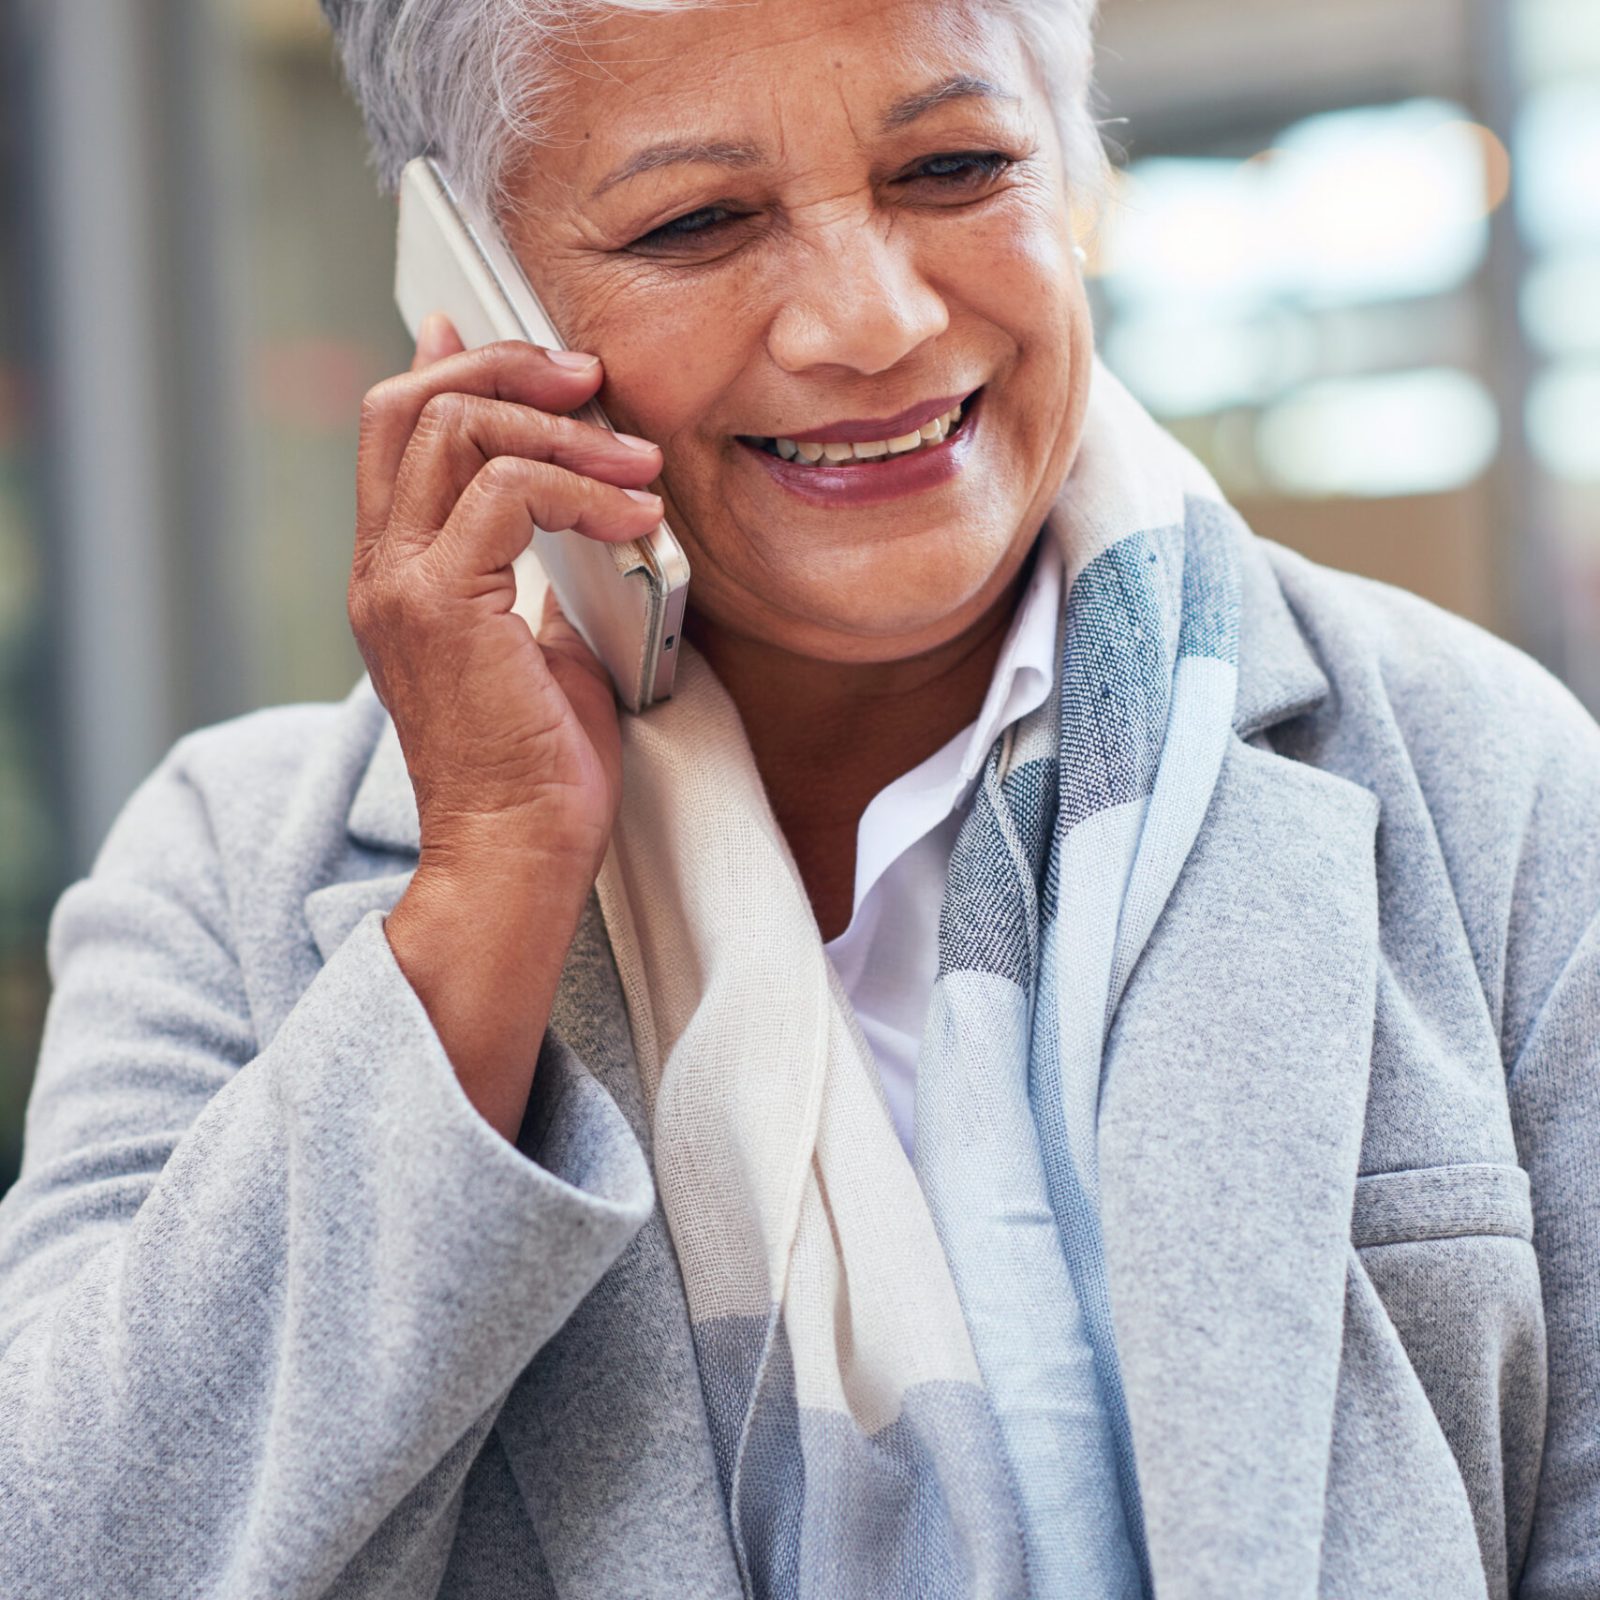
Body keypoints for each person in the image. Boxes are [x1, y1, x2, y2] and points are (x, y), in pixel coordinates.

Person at [0, 0, 1595, 1594]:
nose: (867, 320)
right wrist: (485, 888)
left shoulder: (1484, 781)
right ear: (468, 300)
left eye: (956, 166)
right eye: (699, 221)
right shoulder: (228, 864)